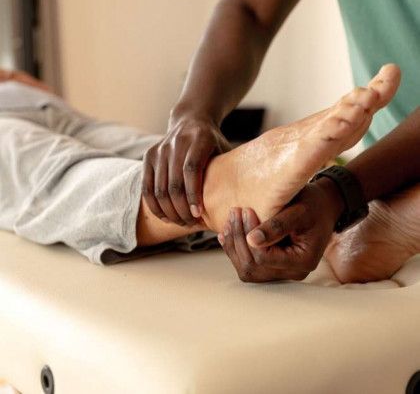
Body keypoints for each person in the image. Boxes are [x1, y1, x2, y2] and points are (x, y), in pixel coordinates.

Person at [2, 65, 415, 283]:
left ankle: (222, 185)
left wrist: (190, 117)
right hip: (26, 104)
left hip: (38, 104)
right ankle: (221, 190)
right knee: (50, 165)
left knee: (158, 159)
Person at [140, 0, 420, 282]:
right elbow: (249, 7)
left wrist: (340, 191)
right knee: (117, 149)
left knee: (108, 178)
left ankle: (221, 192)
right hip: (385, 164)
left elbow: (250, 8)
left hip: (379, 169)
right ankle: (227, 185)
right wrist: (192, 114)